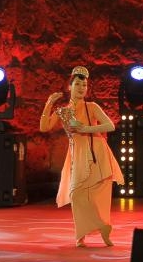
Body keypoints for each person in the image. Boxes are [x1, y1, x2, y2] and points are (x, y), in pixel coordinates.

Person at [39, 65, 123, 248]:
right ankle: (94, 229)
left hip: (96, 152)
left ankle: (97, 233)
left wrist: (87, 129)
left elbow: (110, 126)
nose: (81, 88)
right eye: (77, 84)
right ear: (70, 86)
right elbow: (44, 127)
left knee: (96, 195)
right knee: (76, 194)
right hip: (77, 154)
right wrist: (49, 103)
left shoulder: (92, 107)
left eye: (84, 85)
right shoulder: (63, 111)